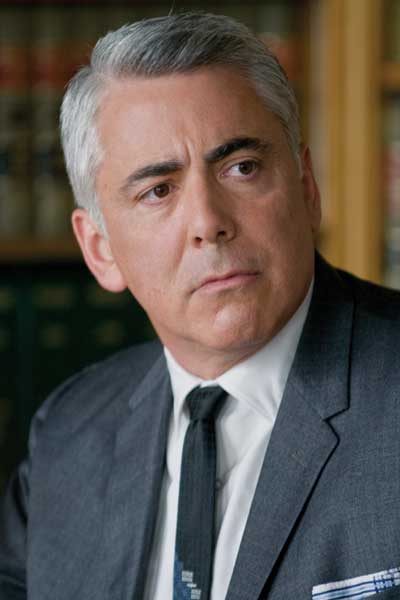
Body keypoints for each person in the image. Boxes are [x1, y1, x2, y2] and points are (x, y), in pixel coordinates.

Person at [1, 12, 400, 600]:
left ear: (307, 188)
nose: (208, 222)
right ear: (100, 248)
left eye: (242, 168)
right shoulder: (69, 434)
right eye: (158, 190)